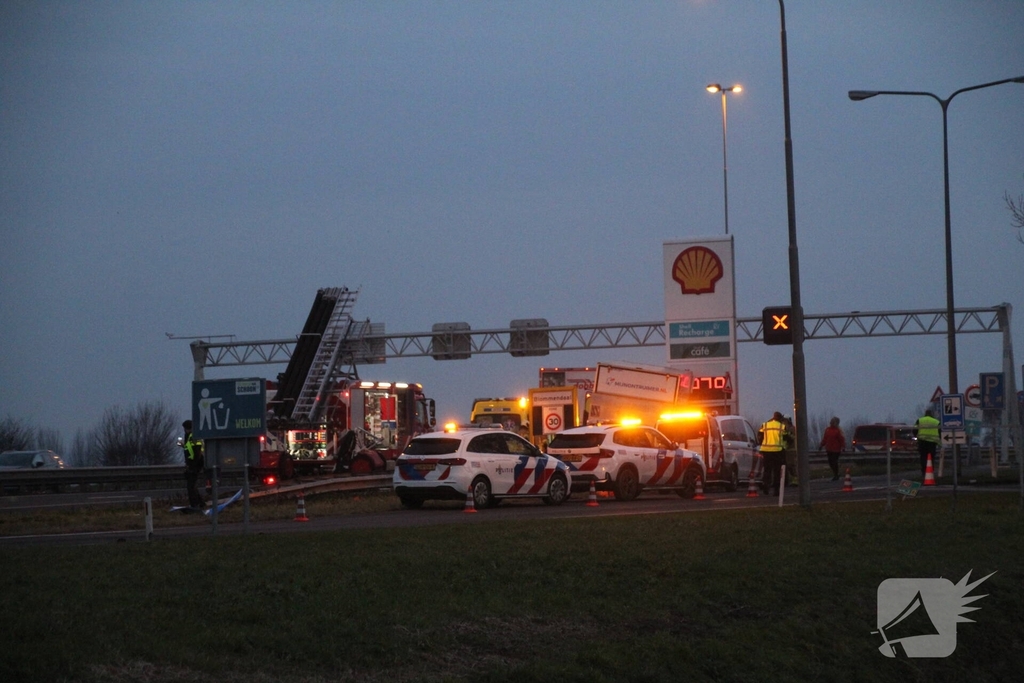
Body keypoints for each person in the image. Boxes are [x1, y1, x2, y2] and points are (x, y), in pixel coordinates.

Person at [758, 411, 787, 495]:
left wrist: (761, 444)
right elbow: (786, 438)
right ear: (780, 418)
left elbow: (759, 435)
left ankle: (766, 486)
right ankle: (776, 490)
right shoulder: (782, 426)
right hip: (777, 451)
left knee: (767, 470)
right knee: (777, 471)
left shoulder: (765, 425)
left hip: (766, 450)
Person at [181, 419, 206, 510]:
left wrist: (192, 466)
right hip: (193, 463)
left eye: (185, 428)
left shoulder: (194, 436)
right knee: (192, 485)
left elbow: (197, 452)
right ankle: (200, 503)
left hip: (196, 464)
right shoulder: (189, 436)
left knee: (191, 486)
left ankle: (195, 505)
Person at [914, 409, 941, 478]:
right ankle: (930, 472)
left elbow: (914, 430)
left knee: (923, 457)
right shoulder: (936, 422)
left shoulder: (920, 420)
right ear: (932, 414)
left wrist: (916, 436)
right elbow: (940, 432)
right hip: (932, 442)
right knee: (931, 458)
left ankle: (924, 472)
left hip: (922, 441)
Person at [819, 416, 846, 481]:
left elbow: (841, 439)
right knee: (830, 462)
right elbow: (825, 438)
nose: (831, 422)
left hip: (836, 449)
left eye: (833, 421)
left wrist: (843, 447)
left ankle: (836, 474)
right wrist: (821, 445)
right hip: (829, 449)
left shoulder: (838, 431)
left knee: (834, 461)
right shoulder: (827, 430)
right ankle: (835, 473)